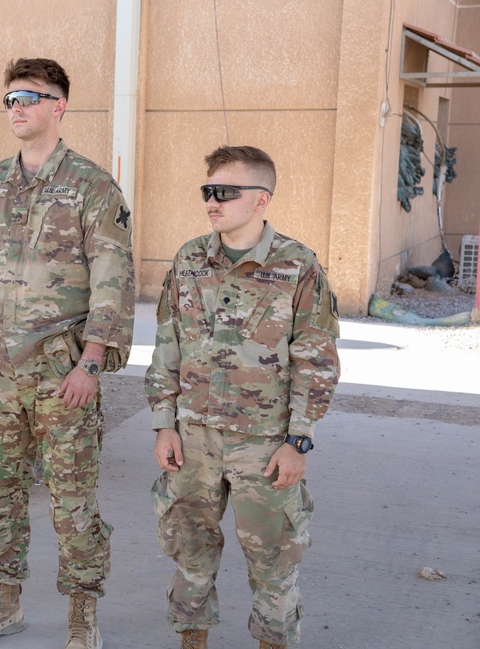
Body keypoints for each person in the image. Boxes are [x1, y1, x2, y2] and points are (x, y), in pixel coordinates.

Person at [0, 58, 135, 649]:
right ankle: (2, 604)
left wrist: (92, 362)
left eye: (30, 97)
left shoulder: (94, 189)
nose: (17, 107)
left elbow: (114, 280)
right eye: (10, 98)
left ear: (59, 105)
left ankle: (82, 616)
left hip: (62, 374)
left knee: (72, 502)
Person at [146, 146, 340, 649]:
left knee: (274, 559)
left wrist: (298, 441)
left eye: (225, 192)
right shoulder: (189, 258)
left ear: (261, 199)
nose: (213, 201)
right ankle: (193, 641)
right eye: (208, 191)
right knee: (189, 550)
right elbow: (168, 342)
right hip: (193, 439)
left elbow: (316, 359)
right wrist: (163, 423)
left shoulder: (297, 266)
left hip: (265, 442)